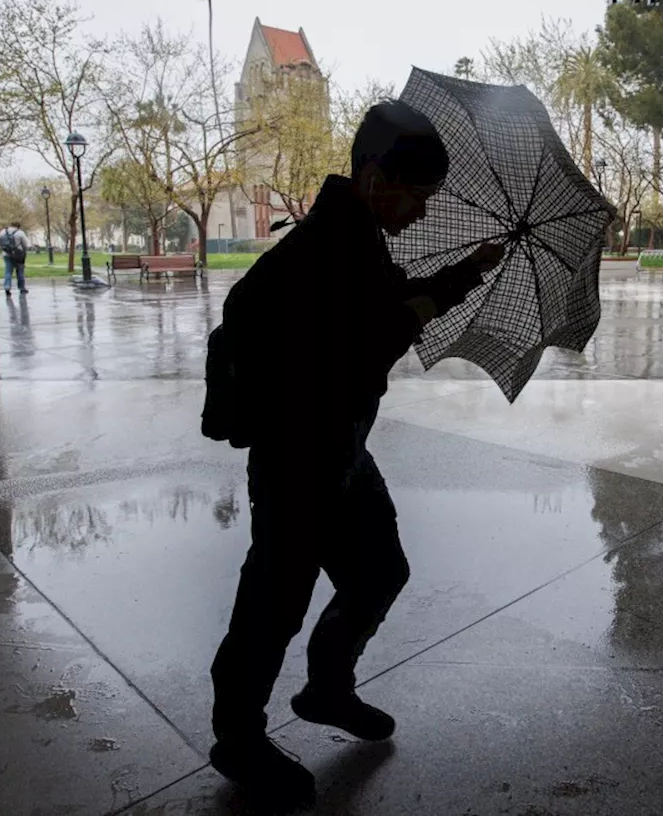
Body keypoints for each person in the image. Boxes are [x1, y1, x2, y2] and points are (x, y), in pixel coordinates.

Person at [204, 100, 505, 809]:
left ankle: (326, 690)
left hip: (340, 448)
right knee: (274, 601)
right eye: (417, 196)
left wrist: (467, 271)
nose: (422, 213)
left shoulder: (358, 237)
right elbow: (373, 332)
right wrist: (410, 312)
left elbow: (388, 307)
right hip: (298, 454)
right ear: (373, 178)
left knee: (378, 571)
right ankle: (238, 737)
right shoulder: (320, 249)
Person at [0, 221, 29, 296]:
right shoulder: (20, 233)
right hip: (18, 255)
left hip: (6, 254)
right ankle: (22, 288)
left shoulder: (3, 232)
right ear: (18, 226)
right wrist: (23, 251)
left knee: (8, 271)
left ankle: (7, 287)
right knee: (20, 271)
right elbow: (25, 244)